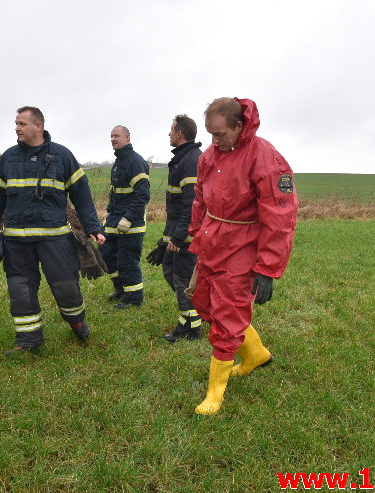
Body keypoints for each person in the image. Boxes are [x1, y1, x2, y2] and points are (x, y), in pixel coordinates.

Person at [189, 97, 298, 415]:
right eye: (210, 134)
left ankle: (215, 394)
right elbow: (200, 198)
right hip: (213, 240)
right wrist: (196, 235)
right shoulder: (210, 155)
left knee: (227, 314)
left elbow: (280, 215)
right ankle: (256, 354)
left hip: (243, 246)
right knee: (203, 301)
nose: (214, 141)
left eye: (220, 133)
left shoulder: (264, 156)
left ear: (240, 126)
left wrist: (268, 269)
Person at [0, 106, 105, 354]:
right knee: (20, 291)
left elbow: (82, 196)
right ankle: (29, 340)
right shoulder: (8, 159)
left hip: (55, 240)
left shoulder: (63, 156)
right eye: (16, 123)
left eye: (21, 123)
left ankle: (77, 322)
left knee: (67, 287)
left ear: (38, 125)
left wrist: (93, 228)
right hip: (16, 242)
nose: (17, 128)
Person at [146, 115, 203, 342]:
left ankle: (191, 326)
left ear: (180, 134)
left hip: (186, 238)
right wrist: (165, 239)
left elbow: (191, 205)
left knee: (182, 280)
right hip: (178, 235)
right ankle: (189, 318)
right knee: (171, 274)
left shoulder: (190, 161)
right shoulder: (182, 159)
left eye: (171, 130)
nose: (169, 134)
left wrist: (178, 238)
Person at [98, 126, 150, 308]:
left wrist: (128, 218)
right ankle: (120, 288)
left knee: (127, 261)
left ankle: (133, 298)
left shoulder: (135, 162)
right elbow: (116, 192)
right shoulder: (119, 161)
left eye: (116, 136)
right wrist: (108, 212)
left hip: (130, 224)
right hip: (114, 220)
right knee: (105, 254)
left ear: (127, 137)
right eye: (111, 136)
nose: (113, 139)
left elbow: (142, 195)